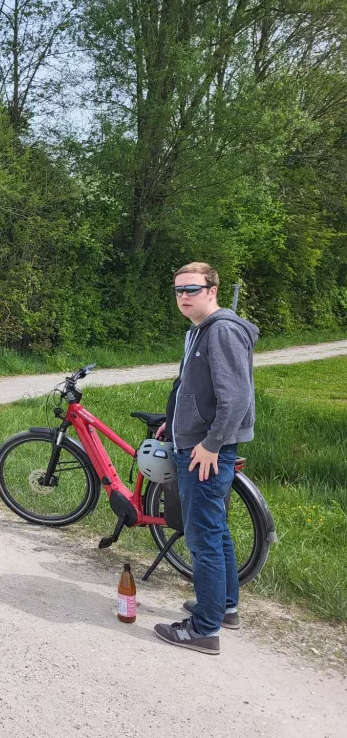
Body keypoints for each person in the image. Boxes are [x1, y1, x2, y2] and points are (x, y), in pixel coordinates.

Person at [153, 262, 258, 655]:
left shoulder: (223, 331)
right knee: (216, 530)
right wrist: (173, 421)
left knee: (203, 538)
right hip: (195, 442)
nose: (184, 296)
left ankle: (203, 629)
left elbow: (237, 398)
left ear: (212, 290)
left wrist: (212, 444)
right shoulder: (199, 331)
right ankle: (224, 607)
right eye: (179, 289)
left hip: (206, 452)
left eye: (193, 289)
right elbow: (194, 390)